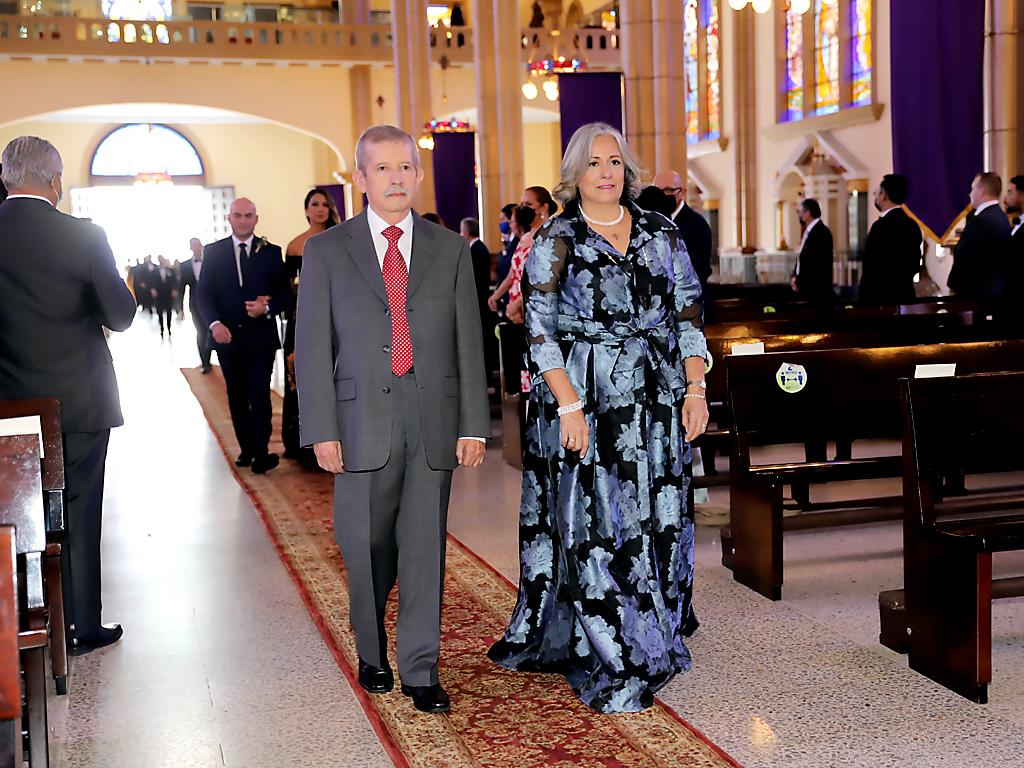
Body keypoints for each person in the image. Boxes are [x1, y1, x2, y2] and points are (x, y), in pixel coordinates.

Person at [487, 122, 709, 713]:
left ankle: (657, 616)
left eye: (615, 161)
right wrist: (567, 405)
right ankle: (612, 637)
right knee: (599, 516)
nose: (607, 172)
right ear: (575, 174)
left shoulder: (663, 233)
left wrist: (696, 388)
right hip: (585, 392)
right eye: (594, 163)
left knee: (655, 509)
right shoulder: (558, 237)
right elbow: (538, 328)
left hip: (655, 395)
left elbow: (688, 312)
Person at [295, 125, 490, 714]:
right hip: (357, 423)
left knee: (424, 546)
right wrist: (321, 429)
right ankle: (372, 649)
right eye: (382, 169)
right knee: (367, 545)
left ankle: (420, 668)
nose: (396, 178)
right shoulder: (327, 252)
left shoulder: (449, 249)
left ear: (418, 174)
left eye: (405, 167)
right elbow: (311, 346)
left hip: (431, 416)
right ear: (359, 180)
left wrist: (474, 424)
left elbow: (468, 342)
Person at [0, 136, 137, 654]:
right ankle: (80, 626)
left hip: (8, 406)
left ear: (5, 177)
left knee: (13, 512)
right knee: (79, 509)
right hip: (79, 401)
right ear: (56, 180)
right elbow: (120, 316)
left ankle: (20, 620)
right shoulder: (84, 235)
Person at [197, 198, 289, 474]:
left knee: (260, 394)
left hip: (261, 337)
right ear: (229, 218)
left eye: (248, 215)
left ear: (256, 219)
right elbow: (204, 294)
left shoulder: (271, 252)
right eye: (238, 215)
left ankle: (262, 453)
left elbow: (285, 293)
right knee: (236, 395)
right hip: (227, 338)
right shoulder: (213, 252)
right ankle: (247, 449)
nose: (243, 220)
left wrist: (268, 307)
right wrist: (214, 324)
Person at [283, 188, 341, 462]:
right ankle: (302, 444)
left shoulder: (341, 240)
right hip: (301, 318)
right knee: (302, 377)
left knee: (335, 376)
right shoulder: (295, 245)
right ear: (306, 210)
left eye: (324, 205)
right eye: (314, 204)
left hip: (338, 317)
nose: (320, 209)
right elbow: (290, 288)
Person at [857, 174, 923, 305]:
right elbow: (915, 264)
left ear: (884, 195)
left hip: (879, 299)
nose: (876, 196)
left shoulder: (880, 227)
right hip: (905, 296)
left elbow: (871, 266)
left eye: (877, 192)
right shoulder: (912, 225)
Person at [948, 172, 1011, 300]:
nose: (970, 194)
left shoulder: (980, 221)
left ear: (982, 191)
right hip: (995, 291)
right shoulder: (1001, 216)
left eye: (972, 189)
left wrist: (953, 287)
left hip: (977, 295)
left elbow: (964, 257)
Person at [651, 170, 712, 294]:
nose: (661, 196)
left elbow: (698, 270)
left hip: (688, 301)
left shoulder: (697, 225)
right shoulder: (649, 221)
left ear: (682, 193)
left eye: (668, 190)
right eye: (656, 191)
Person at [460, 217, 498, 383]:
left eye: (461, 230)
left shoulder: (476, 249)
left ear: (466, 232)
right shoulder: (476, 248)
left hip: (479, 300)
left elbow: (472, 277)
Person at [791, 198, 836, 302]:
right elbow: (802, 258)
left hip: (816, 290)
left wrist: (799, 281)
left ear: (808, 213)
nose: (800, 215)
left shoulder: (821, 232)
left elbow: (814, 262)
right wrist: (795, 277)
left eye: (800, 211)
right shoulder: (810, 231)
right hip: (807, 288)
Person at [179, 237, 212, 373]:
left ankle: (209, 358)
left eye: (198, 245)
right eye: (193, 245)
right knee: (201, 332)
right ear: (190, 248)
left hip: (211, 303)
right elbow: (181, 288)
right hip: (195, 304)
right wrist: (180, 308)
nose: (196, 247)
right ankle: (205, 363)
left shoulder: (210, 263)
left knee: (210, 330)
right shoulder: (185, 265)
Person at [151, 254, 178, 338]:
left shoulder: (170, 270)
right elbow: (151, 281)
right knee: (159, 311)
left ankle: (169, 327)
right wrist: (153, 289)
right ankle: (161, 328)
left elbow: (174, 281)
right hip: (158, 294)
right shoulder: (154, 270)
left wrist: (174, 290)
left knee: (169, 311)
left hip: (168, 294)